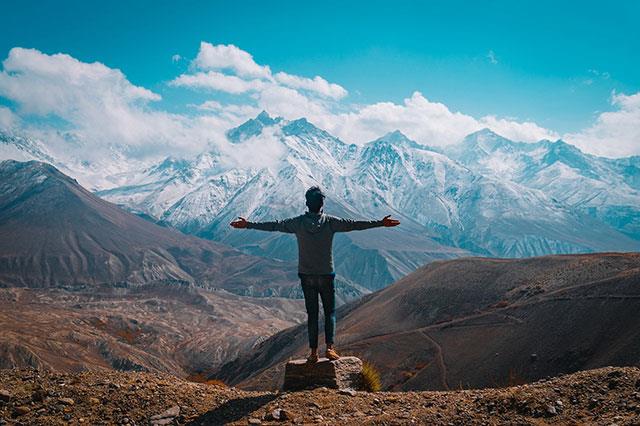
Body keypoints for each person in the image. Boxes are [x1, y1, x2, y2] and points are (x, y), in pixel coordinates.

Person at [230, 186, 400, 363]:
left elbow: (274, 225)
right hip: (326, 273)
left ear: (306, 203)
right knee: (329, 313)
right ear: (322, 204)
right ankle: (329, 348)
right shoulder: (330, 222)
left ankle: (313, 353)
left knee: (312, 314)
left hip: (306, 274)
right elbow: (354, 225)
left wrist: (248, 224)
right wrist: (380, 222)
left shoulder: (297, 223)